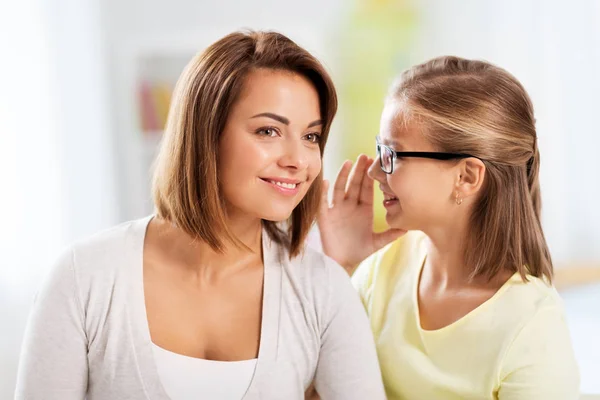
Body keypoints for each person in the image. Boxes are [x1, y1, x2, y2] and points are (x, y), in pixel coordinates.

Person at [15, 30, 385, 400]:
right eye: (268, 131)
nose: (298, 160)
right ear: (204, 133)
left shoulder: (323, 289)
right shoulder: (85, 277)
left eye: (311, 137)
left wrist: (352, 270)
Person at [318, 56, 580, 399]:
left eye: (392, 155)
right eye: (380, 150)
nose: (375, 173)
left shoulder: (532, 330)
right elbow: (314, 389)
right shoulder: (380, 271)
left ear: (466, 176)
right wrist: (342, 266)